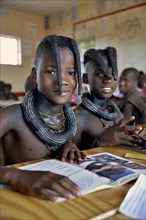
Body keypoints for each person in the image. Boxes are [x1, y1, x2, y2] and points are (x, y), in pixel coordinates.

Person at [0, 35, 84, 201]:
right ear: (34, 74)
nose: (62, 81)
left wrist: (69, 146)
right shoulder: (13, 115)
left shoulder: (72, 120)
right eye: (51, 71)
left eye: (71, 72)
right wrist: (16, 176)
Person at [73, 47, 145, 150]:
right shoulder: (78, 117)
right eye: (100, 74)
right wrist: (99, 141)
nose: (108, 80)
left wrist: (136, 139)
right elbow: (70, 160)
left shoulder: (117, 114)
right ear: (85, 78)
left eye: (112, 73)